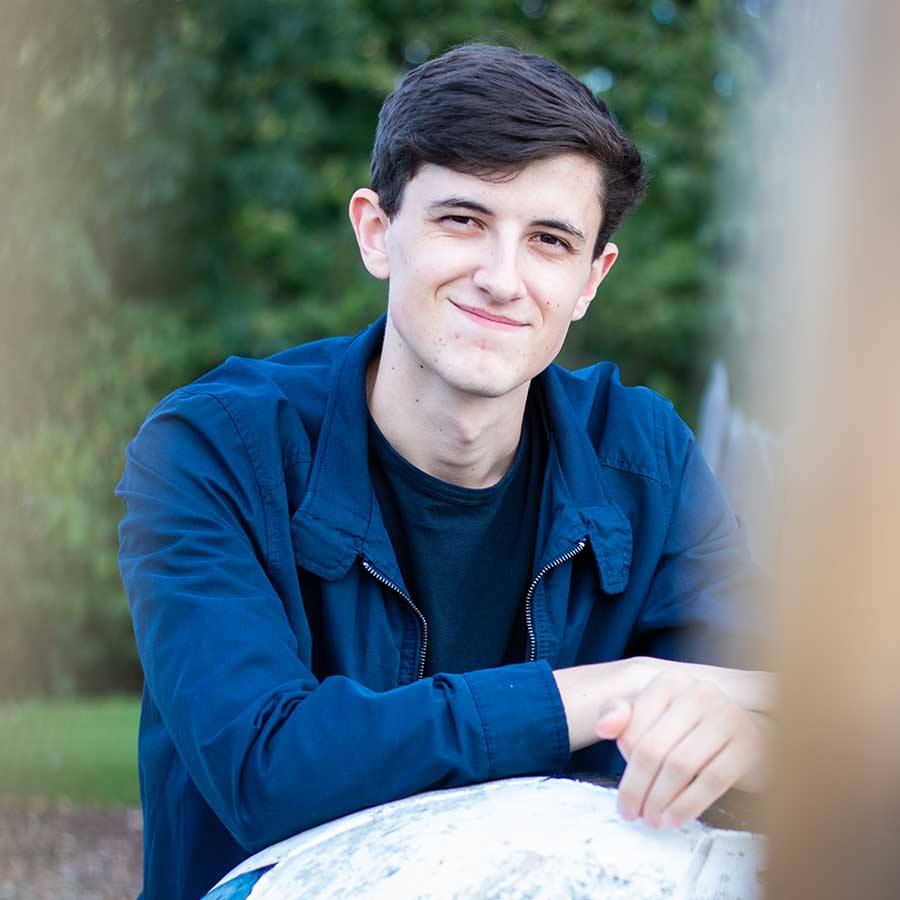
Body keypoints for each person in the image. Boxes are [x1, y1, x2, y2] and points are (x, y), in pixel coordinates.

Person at [116, 43, 772, 900]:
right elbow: (268, 771)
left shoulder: (643, 457)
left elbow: (772, 711)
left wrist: (754, 748)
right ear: (377, 232)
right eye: (463, 220)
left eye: (548, 240)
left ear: (589, 280)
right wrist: (612, 689)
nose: (502, 280)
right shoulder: (213, 450)